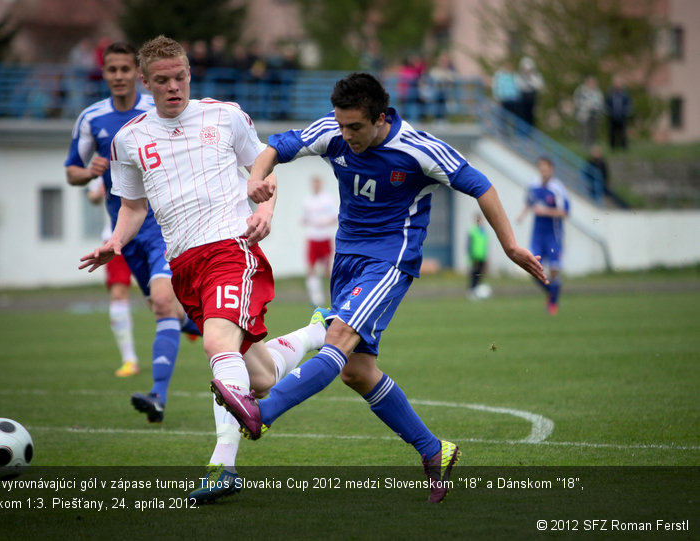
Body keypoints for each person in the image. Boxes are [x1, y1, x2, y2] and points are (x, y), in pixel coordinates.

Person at [211, 72, 547, 503]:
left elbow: (480, 185)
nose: (346, 134)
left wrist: (511, 246)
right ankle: (434, 449)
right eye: (341, 124)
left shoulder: (418, 149)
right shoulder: (333, 132)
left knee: (336, 338)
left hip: (390, 260)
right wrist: (257, 181)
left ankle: (262, 413)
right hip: (347, 259)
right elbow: (274, 148)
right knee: (356, 371)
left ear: (381, 118)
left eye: (356, 127)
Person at [78, 35, 327, 504]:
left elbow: (264, 170)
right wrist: (114, 241)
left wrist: (266, 213)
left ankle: (223, 467)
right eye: (163, 81)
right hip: (184, 266)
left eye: (181, 77)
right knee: (261, 375)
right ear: (145, 83)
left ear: (189, 74)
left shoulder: (225, 116)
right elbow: (132, 206)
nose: (174, 87)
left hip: (233, 248)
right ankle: (318, 331)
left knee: (215, 344)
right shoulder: (128, 139)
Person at [65, 41, 198, 421]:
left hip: (164, 226)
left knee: (161, 304)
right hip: (126, 228)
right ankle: (221, 332)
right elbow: (71, 170)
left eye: (125, 70)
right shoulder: (92, 118)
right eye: (113, 70)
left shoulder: (155, 111)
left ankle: (158, 395)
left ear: (137, 76)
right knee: (170, 311)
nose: (120, 77)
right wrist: (89, 173)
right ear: (105, 74)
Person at [86, 177, 141, 375]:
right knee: (119, 294)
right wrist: (97, 191)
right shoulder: (106, 159)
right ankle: (129, 360)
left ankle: (186, 322)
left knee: (161, 298)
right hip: (114, 238)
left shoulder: (148, 150)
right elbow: (92, 195)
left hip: (150, 236)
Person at [517, 156, 569, 315]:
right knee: (532, 267)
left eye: (546, 168)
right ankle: (550, 292)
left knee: (554, 269)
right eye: (541, 168)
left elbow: (565, 212)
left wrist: (545, 211)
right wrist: (522, 214)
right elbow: (529, 201)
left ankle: (553, 303)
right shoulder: (533, 185)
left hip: (553, 235)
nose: (543, 171)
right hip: (537, 234)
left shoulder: (558, 189)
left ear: (551, 170)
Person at [302, 176, 338, 307]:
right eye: (314, 184)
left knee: (327, 270)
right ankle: (316, 298)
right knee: (311, 268)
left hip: (325, 237)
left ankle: (336, 295)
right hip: (312, 237)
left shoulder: (328, 199)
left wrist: (323, 222)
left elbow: (335, 218)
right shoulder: (307, 200)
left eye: (317, 183)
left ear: (321, 184)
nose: (316, 186)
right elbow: (305, 219)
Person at [573, 76, 604, 150]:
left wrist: (597, 108)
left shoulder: (597, 92)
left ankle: (592, 145)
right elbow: (577, 101)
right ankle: (584, 145)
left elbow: (600, 102)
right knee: (585, 130)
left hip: (594, 114)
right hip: (584, 114)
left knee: (593, 130)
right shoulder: (581, 90)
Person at [516, 56, 544, 129]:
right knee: (523, 115)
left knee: (531, 116)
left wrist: (530, 82)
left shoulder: (536, 76)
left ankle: (531, 132)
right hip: (523, 98)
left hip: (532, 97)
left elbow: (538, 85)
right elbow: (520, 86)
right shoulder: (520, 76)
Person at [605, 79, 632, 150]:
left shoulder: (625, 95)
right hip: (613, 116)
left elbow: (629, 104)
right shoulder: (610, 95)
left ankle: (623, 146)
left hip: (622, 116)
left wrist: (624, 112)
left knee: (622, 132)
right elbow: (607, 104)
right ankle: (613, 146)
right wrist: (610, 112)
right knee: (612, 132)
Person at [467, 213, 489, 300]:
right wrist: (471, 256)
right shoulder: (472, 231)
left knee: (480, 274)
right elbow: (468, 245)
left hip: (482, 256)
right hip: (474, 256)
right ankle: (471, 291)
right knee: (474, 274)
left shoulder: (483, 232)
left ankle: (477, 290)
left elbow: (485, 245)